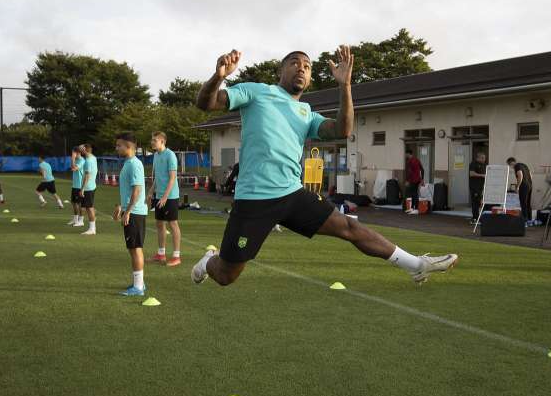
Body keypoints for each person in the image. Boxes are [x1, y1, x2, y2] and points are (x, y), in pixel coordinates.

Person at [192, 47, 458, 287]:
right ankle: (208, 262)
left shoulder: (306, 113)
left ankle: (416, 265)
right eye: (295, 63)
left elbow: (343, 130)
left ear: (309, 78)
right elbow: (207, 103)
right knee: (226, 276)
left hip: (291, 194)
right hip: (254, 199)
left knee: (350, 227)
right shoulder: (257, 91)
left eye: (307, 66)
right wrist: (218, 77)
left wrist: (345, 86)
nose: (301, 68)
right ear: (281, 71)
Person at [114, 132, 148, 296]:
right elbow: (128, 190)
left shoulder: (134, 164)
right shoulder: (128, 163)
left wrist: (127, 211)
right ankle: (139, 283)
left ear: (128, 146)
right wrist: (120, 207)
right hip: (130, 211)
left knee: (135, 249)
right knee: (133, 248)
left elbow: (137, 190)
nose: (116, 148)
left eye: (119, 145)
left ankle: (138, 287)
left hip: (134, 213)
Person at [150, 131, 181, 266]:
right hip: (159, 195)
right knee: (159, 223)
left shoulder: (170, 155)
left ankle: (176, 256)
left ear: (162, 141)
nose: (152, 142)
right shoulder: (156, 155)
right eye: (152, 140)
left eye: (155, 140)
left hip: (170, 196)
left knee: (172, 224)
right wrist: (151, 191)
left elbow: (172, 178)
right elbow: (158, 177)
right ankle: (161, 254)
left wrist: (165, 197)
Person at [507, 157, 534, 224]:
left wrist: (518, 186)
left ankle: (525, 219)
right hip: (530, 185)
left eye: (509, 165)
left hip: (523, 186)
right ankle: (529, 218)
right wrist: (529, 182)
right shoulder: (524, 165)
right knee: (528, 202)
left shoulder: (517, 166)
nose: (510, 167)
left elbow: (520, 175)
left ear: (511, 163)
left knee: (523, 203)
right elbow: (530, 174)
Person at [79, 143, 98, 235]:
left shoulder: (88, 161)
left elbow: (87, 176)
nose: (80, 150)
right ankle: (92, 226)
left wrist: (82, 189)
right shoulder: (93, 158)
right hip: (92, 186)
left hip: (88, 188)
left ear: (84, 150)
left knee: (89, 208)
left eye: (81, 149)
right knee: (89, 207)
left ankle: (92, 229)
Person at [67, 146, 86, 227]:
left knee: (80, 203)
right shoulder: (76, 160)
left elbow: (74, 168)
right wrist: (73, 159)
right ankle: (75, 220)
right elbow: (72, 167)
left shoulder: (82, 160)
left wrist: (73, 159)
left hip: (80, 186)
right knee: (74, 203)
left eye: (73, 153)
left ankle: (81, 221)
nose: (72, 154)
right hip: (75, 185)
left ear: (78, 153)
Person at [468, 151, 487, 223]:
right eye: (483, 158)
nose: (484, 159)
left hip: (482, 187)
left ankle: (480, 217)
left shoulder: (484, 165)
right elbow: (471, 174)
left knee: (481, 202)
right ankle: (475, 218)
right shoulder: (473, 164)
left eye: (484, 158)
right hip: (475, 187)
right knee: (475, 202)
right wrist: (482, 175)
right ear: (478, 158)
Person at [404, 149, 424, 213]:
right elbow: (422, 169)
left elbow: (409, 172)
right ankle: (412, 208)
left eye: (406, 154)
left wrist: (407, 180)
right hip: (418, 179)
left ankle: (416, 209)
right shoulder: (417, 160)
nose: (405, 155)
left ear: (408, 154)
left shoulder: (410, 161)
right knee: (413, 193)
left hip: (413, 180)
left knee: (414, 194)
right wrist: (422, 179)